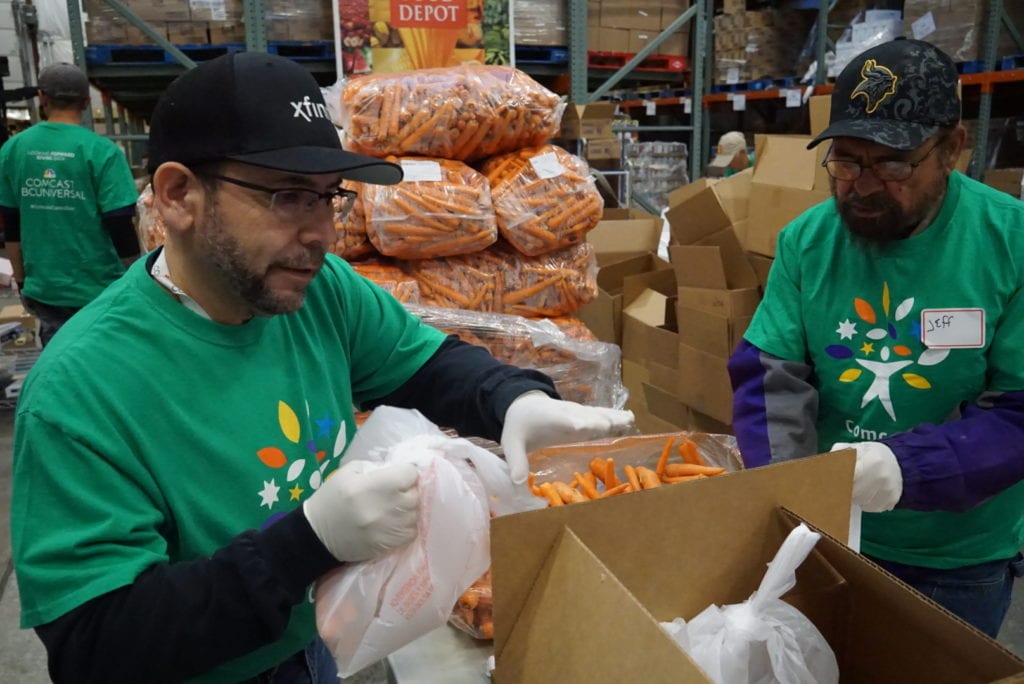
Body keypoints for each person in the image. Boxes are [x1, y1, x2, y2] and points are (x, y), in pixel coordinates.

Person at [9, 52, 635, 683]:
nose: (321, 234)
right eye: (286, 196)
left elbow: (423, 364)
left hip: (315, 646)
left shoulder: (316, 290)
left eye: (326, 199)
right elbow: (96, 643)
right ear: (178, 196)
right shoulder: (79, 391)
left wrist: (511, 398)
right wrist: (305, 545)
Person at [728, 37, 1024, 639]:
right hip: (829, 535)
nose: (860, 186)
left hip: (956, 559)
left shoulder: (1009, 243)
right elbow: (771, 377)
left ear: (953, 150)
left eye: (891, 165)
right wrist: (790, 493)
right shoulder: (807, 241)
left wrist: (910, 466)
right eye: (845, 161)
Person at [0, 62, 140, 345]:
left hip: (45, 289)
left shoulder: (13, 149)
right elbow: (119, 223)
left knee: (59, 367)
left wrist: (22, 279)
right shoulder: (101, 152)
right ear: (86, 102)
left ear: (42, 98)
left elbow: (11, 222)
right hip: (99, 289)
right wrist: (136, 279)